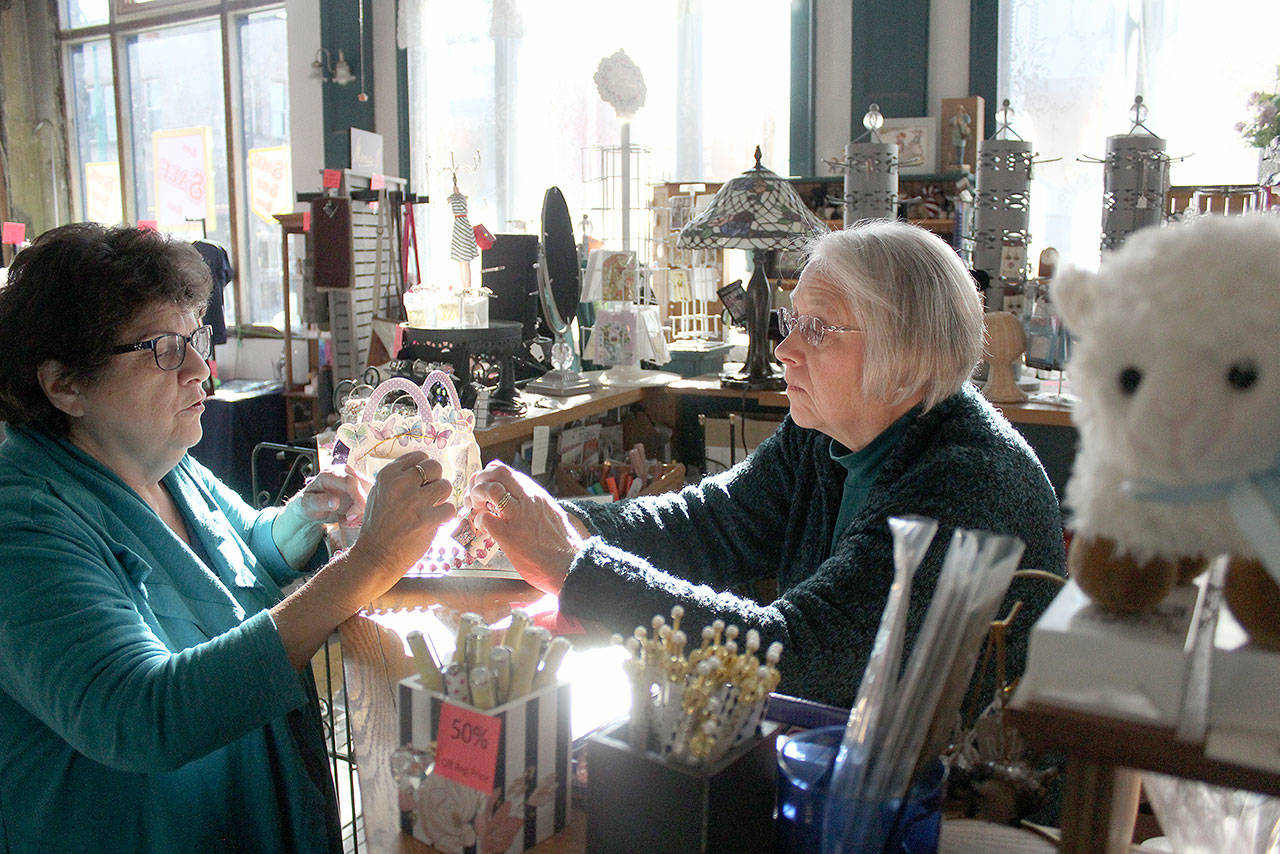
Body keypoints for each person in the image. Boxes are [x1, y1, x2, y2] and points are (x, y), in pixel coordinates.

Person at [469, 220, 1065, 709]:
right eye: (790, 321)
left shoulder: (967, 481)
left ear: (906, 352)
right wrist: (552, 523)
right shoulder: (826, 435)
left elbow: (802, 656)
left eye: (818, 329)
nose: (784, 349)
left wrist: (576, 567)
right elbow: (709, 522)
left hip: (966, 811)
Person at [0, 223, 454, 852]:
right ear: (65, 384)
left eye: (194, 338)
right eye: (161, 348)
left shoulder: (164, 462)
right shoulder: (23, 527)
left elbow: (240, 551)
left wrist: (302, 518)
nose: (198, 367)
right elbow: (142, 713)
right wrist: (370, 560)